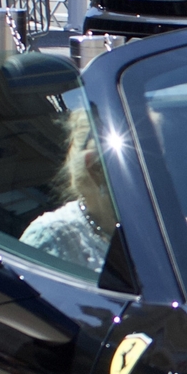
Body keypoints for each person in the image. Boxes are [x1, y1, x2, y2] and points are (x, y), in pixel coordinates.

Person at [20, 107, 117, 275]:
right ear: (96, 169)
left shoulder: (162, 225)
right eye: (149, 163)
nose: (165, 171)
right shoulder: (53, 238)